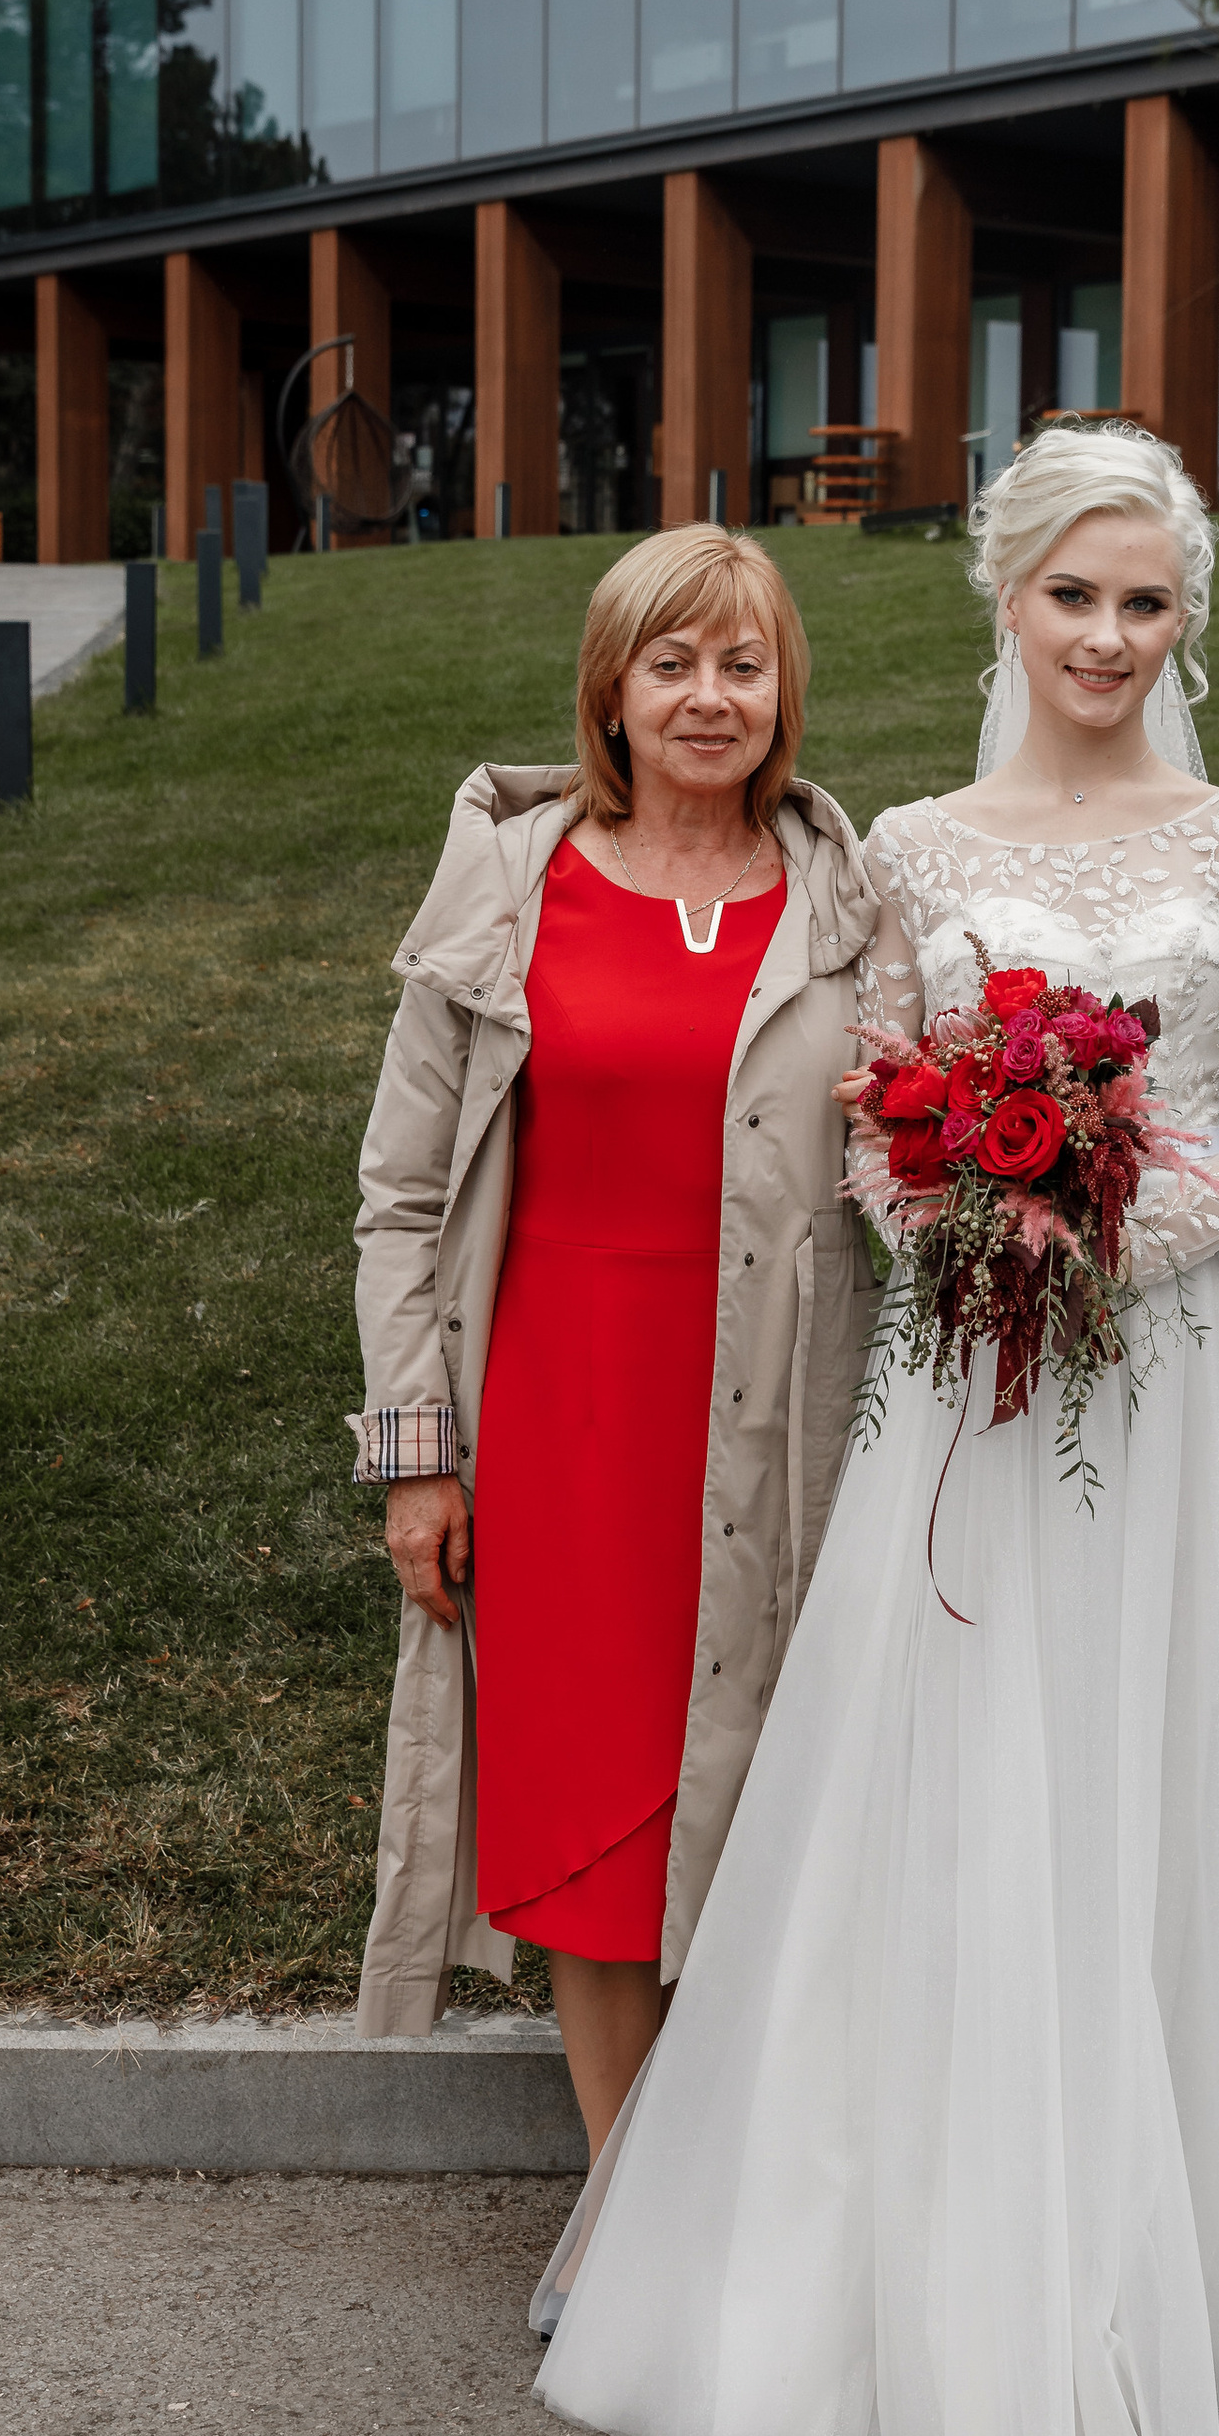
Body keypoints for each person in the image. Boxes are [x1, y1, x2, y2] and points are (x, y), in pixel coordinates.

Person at [535, 424, 1219, 2436]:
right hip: (983, 1380)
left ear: (1184, 623)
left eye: (1144, 602)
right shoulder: (909, 844)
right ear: (1008, 600)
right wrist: (978, 1233)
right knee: (977, 1781)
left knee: (1196, 1779)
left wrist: (1130, 1239)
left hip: (1207, 1384)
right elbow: (876, 1117)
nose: (1105, 636)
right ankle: (959, 2263)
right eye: (1073, 595)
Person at [348, 528, 879, 2161]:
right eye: (672, 664)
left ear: (784, 692)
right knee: (594, 1809)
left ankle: (749, 2185)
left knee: (769, 1789)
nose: (709, 698)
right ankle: (625, 2195)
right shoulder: (513, 885)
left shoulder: (853, 901)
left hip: (780, 1407)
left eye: (743, 664)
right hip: (564, 1413)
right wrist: (415, 1459)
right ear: (612, 691)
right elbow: (402, 1196)